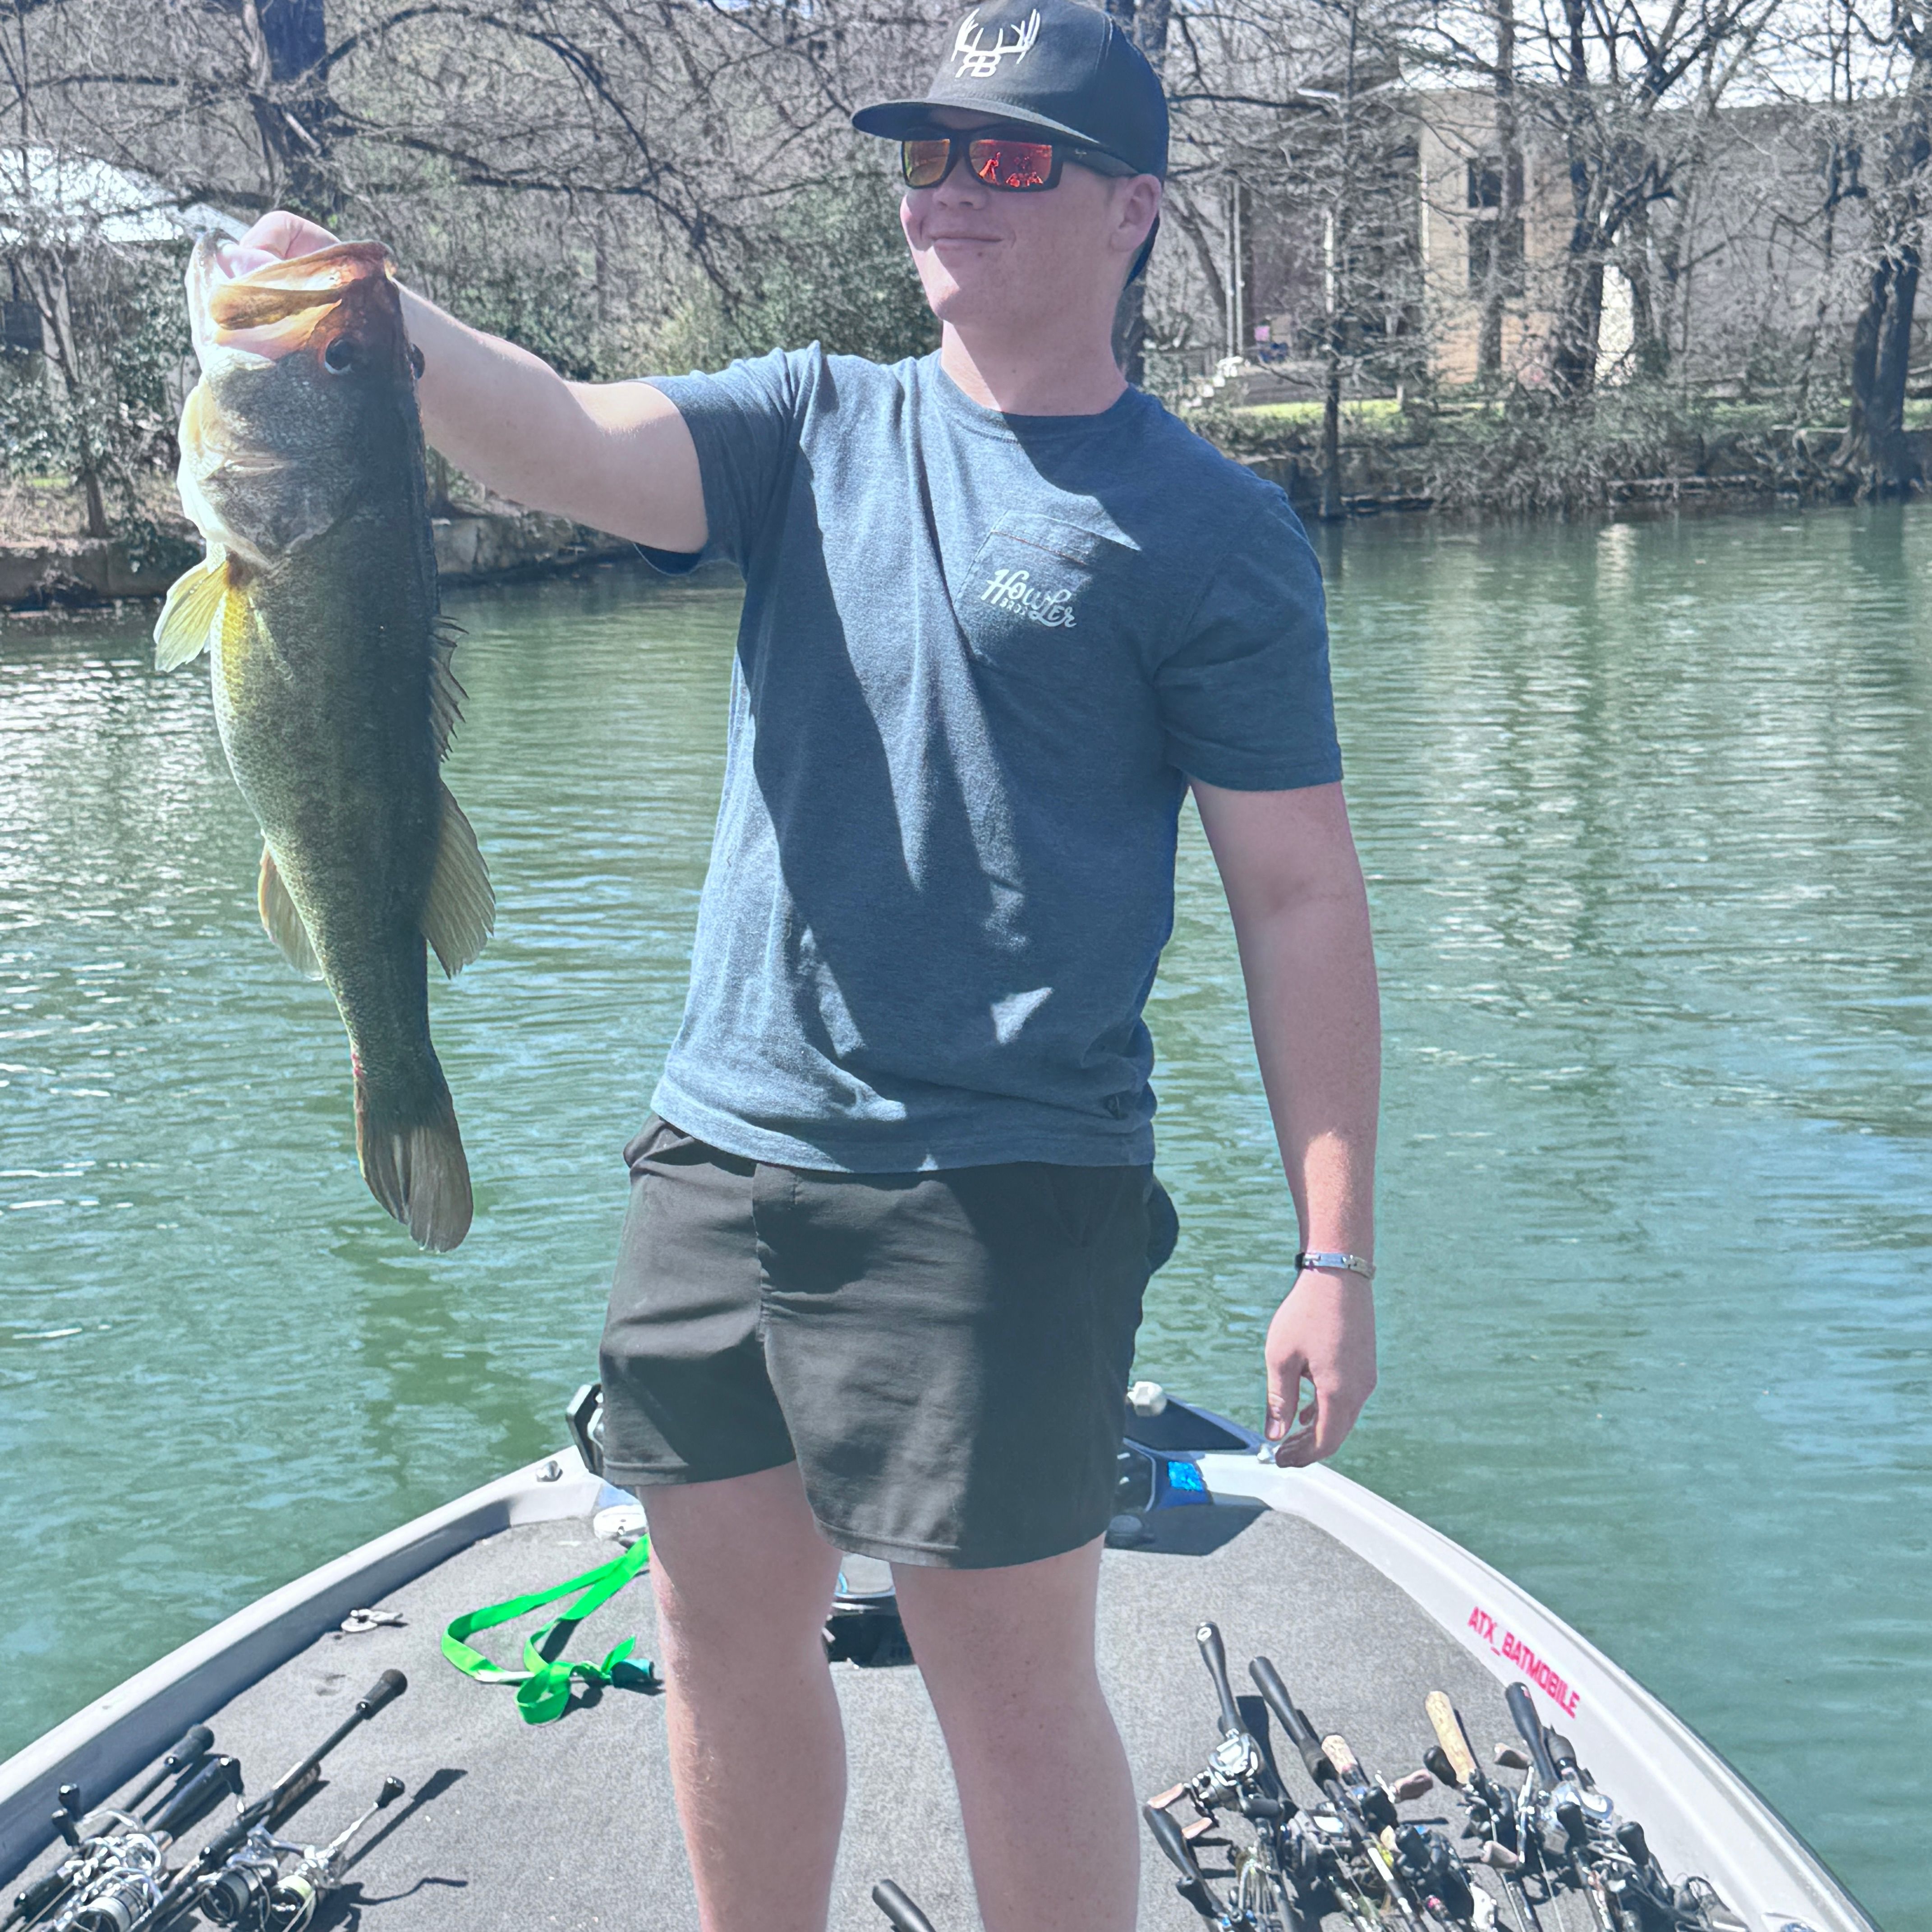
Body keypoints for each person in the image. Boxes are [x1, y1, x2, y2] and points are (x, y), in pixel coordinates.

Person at [239, 2, 1379, 1926]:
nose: (953, 191)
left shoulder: (1214, 535)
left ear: (1137, 212)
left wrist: (1331, 1255)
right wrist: (372, 330)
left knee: (1007, 1693)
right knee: (711, 1636)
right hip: (721, 1156)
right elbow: (570, 435)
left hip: (1005, 1187)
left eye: (1010, 156)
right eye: (928, 153)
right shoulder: (808, 427)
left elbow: (1300, 899)